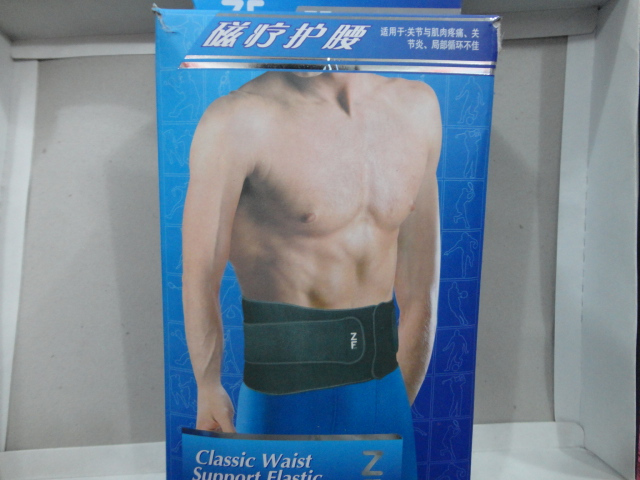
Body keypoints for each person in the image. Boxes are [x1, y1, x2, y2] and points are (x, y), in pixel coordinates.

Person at [182, 71, 441, 480]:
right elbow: (200, 275)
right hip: (281, 400)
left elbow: (420, 289)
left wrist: (392, 406)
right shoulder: (238, 119)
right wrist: (208, 385)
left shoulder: (416, 107)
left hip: (384, 394)